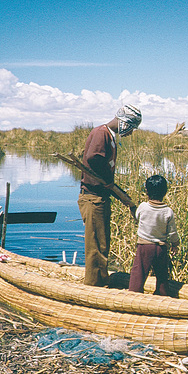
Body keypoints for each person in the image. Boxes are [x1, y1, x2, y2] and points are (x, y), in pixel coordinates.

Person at [78, 105, 142, 286]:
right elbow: (92, 158)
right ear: (124, 123)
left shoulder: (109, 136)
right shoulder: (101, 133)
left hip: (101, 196)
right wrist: (106, 178)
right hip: (93, 197)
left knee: (102, 243)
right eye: (131, 127)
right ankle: (94, 286)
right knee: (95, 246)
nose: (130, 132)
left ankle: (100, 279)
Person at [128, 174, 180, 296]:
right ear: (165, 192)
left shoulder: (143, 207)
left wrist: (132, 209)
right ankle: (162, 295)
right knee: (162, 275)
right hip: (161, 248)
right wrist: (175, 244)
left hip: (144, 247)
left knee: (138, 273)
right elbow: (172, 232)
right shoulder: (168, 211)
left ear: (147, 191)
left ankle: (134, 295)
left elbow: (137, 217)